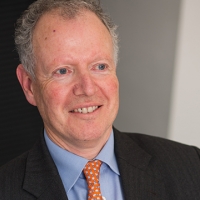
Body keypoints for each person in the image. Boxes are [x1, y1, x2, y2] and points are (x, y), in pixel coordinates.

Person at [0, 0, 200, 199]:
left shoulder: (190, 167)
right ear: (29, 85)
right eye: (62, 71)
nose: (87, 88)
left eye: (100, 67)